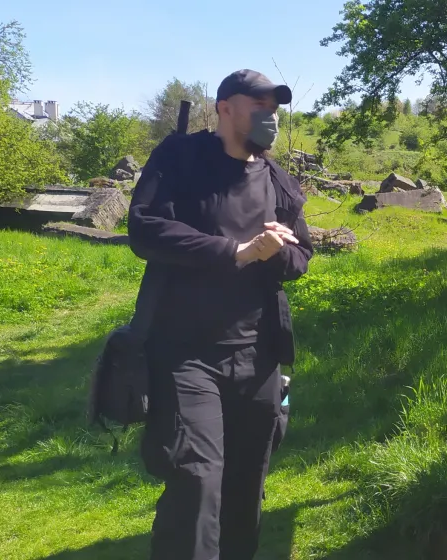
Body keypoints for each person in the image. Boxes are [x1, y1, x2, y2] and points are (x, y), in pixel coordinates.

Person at [127, 69, 314, 560]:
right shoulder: (180, 158)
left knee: (246, 485)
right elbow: (144, 228)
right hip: (186, 353)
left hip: (259, 355)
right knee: (196, 481)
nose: (269, 116)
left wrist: (274, 252)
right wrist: (236, 250)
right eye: (259, 105)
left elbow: (301, 259)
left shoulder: (277, 179)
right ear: (225, 107)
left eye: (274, 108)